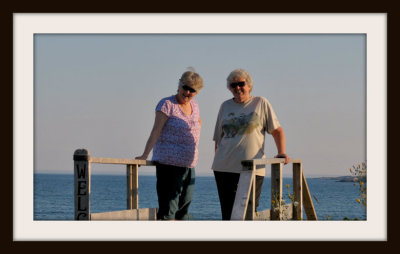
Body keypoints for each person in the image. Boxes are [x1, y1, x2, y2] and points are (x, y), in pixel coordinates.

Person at [212, 68, 290, 220]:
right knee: (228, 215)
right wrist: (218, 160)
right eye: (233, 85)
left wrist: (282, 152)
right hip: (224, 168)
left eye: (241, 84)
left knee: (248, 213)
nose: (237, 88)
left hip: (252, 168)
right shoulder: (225, 106)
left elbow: (277, 131)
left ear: (249, 85)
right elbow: (218, 139)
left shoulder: (260, 103)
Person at [135, 70, 203, 220]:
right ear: (179, 84)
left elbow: (198, 122)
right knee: (168, 211)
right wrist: (145, 155)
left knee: (184, 211)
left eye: (192, 90)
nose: (187, 92)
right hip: (169, 165)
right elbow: (156, 130)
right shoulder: (167, 104)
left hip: (189, 166)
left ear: (197, 92)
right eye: (185, 87)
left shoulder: (195, 106)